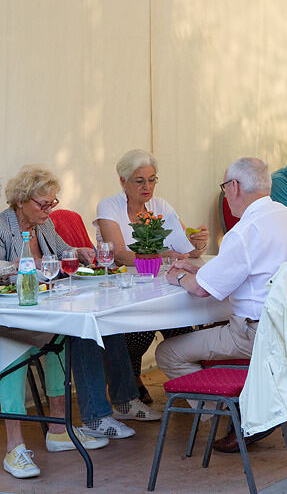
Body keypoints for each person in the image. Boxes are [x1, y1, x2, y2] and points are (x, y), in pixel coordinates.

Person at [156, 157, 287, 453]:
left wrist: (178, 277)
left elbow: (201, 291)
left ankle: (238, 416)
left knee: (168, 352)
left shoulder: (244, 231)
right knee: (208, 328)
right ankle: (251, 408)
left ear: (235, 187)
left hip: (254, 335)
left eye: (225, 187)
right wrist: (199, 269)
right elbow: (246, 272)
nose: (226, 194)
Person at [0, 167, 133, 478]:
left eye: (52, 203)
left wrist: (79, 252)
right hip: (7, 318)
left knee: (65, 335)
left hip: (38, 311)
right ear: (21, 201)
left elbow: (61, 253)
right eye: (43, 204)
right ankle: (14, 448)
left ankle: (59, 430)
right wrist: (12, 266)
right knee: (10, 350)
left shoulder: (42, 226)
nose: (49, 210)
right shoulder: (3, 227)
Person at [95, 149, 209, 403]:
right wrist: (163, 254)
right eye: (139, 180)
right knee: (143, 328)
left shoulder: (161, 206)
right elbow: (120, 255)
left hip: (159, 283)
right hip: (123, 286)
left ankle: (194, 385)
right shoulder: (109, 206)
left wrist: (199, 243)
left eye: (152, 179)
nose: (148, 187)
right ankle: (135, 378)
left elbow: (185, 250)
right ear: (123, 181)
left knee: (179, 321)